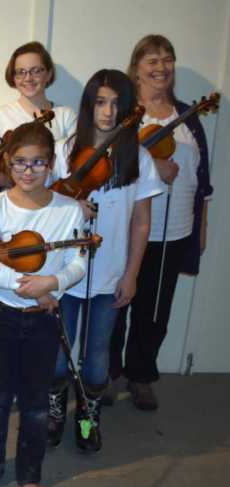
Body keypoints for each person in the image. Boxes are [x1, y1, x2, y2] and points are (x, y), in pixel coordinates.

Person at [0, 121, 86, 487]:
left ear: (51, 164)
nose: (28, 171)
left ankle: (30, 475)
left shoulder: (67, 210)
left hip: (42, 319)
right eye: (20, 163)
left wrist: (53, 282)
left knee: (35, 403)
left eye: (38, 163)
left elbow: (78, 261)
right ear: (7, 162)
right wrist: (27, 284)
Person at [46, 70, 164, 452]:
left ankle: (88, 417)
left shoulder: (139, 158)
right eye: (101, 102)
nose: (109, 111)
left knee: (97, 354)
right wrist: (68, 205)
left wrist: (131, 275)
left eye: (117, 103)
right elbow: (43, 209)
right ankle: (54, 411)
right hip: (65, 273)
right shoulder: (65, 151)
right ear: (88, 105)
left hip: (110, 271)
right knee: (59, 352)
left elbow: (142, 222)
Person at [109, 35, 213, 410]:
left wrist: (201, 226)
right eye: (152, 60)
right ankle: (108, 374)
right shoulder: (122, 114)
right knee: (116, 302)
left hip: (176, 228)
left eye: (168, 60)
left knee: (154, 309)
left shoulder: (187, 116)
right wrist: (151, 168)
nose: (161, 68)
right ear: (136, 68)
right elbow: (107, 165)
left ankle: (141, 375)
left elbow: (202, 179)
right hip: (127, 228)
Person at [0, 41, 76, 146]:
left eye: (36, 71)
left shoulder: (66, 116)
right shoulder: (0, 116)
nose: (28, 78)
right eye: (21, 72)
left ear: (48, 74)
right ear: (13, 77)